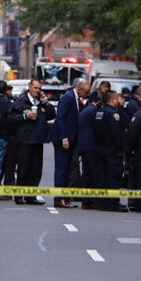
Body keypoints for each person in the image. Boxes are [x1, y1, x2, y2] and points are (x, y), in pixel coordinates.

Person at [7, 80, 55, 205]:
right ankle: (19, 195)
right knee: (24, 168)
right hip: (25, 140)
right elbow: (10, 119)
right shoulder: (21, 101)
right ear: (29, 87)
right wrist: (25, 116)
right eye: (35, 88)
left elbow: (52, 115)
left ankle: (31, 196)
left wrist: (46, 102)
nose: (37, 90)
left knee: (36, 170)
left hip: (38, 140)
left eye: (39, 88)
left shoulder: (41, 102)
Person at [49, 79, 90, 208]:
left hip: (71, 139)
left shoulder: (76, 99)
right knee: (61, 169)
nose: (87, 94)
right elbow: (60, 118)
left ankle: (65, 197)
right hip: (63, 139)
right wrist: (64, 138)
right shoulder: (68, 98)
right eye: (86, 92)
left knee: (67, 170)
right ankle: (58, 198)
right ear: (80, 89)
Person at [93, 91, 128, 212]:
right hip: (111, 150)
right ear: (113, 100)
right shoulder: (113, 114)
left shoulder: (99, 112)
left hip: (100, 148)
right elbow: (117, 133)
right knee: (114, 176)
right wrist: (120, 149)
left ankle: (103, 202)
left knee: (102, 176)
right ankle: (113, 203)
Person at [77, 97, 101, 210]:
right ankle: (92, 200)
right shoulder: (93, 111)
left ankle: (86, 200)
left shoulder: (86, 110)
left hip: (83, 146)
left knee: (86, 174)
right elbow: (97, 128)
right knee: (93, 174)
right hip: (91, 146)